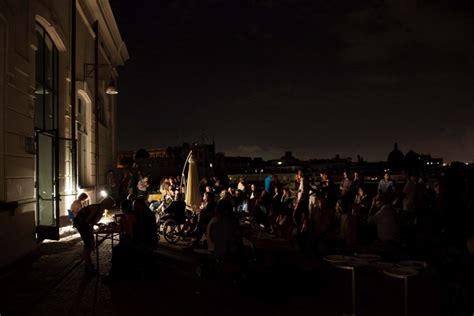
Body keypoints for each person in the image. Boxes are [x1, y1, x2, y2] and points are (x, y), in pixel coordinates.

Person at [73, 197, 116, 274]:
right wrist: (94, 226)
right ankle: (88, 266)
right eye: (110, 205)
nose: (110, 207)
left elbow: (90, 221)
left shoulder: (100, 208)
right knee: (88, 245)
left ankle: (88, 264)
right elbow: (87, 220)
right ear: (107, 203)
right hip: (81, 224)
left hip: (83, 224)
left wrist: (94, 227)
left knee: (90, 243)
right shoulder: (96, 208)